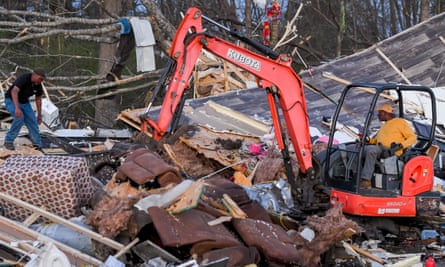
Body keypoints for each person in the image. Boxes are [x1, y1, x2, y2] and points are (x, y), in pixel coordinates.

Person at [359, 104, 417, 188]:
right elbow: (377, 141)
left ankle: (365, 180)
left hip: (392, 151)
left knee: (371, 150)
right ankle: (352, 175)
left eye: (380, 113)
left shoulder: (399, 122)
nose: (378, 115)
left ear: (386, 113)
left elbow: (413, 138)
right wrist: (368, 140)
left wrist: (400, 146)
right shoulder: (384, 125)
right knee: (357, 148)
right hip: (380, 148)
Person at [3, 68, 46, 150]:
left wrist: (39, 115)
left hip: (24, 102)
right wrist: (17, 108)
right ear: (35, 75)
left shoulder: (38, 85)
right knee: (19, 117)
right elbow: (14, 92)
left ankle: (37, 144)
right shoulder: (24, 78)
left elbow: (38, 99)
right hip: (12, 100)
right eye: (40, 78)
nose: (41, 81)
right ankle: (8, 141)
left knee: (32, 120)